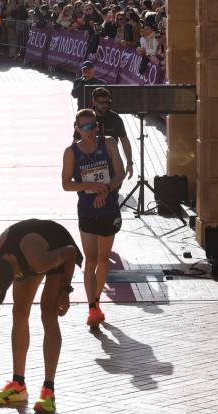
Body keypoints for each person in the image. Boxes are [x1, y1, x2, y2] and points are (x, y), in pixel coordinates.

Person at [0, 219, 83, 414]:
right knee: (19, 312)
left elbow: (70, 252)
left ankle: (48, 391)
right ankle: (18, 385)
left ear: (14, 277)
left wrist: (65, 290)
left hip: (59, 245)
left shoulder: (37, 262)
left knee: (48, 313)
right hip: (30, 246)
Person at [62, 109, 125, 328]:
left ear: (97, 126)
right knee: (90, 259)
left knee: (103, 258)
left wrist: (105, 190)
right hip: (87, 211)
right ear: (77, 129)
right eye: (85, 127)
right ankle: (92, 308)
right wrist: (89, 186)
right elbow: (66, 183)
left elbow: (120, 172)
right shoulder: (71, 152)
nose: (90, 131)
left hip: (109, 209)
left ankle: (97, 301)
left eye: (93, 126)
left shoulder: (108, 143)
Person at [89, 87, 134, 180]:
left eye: (107, 102)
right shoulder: (86, 118)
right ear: (93, 101)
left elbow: (124, 141)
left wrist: (129, 163)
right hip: (90, 162)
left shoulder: (116, 119)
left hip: (111, 162)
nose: (105, 105)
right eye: (101, 102)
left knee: (112, 192)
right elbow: (76, 142)